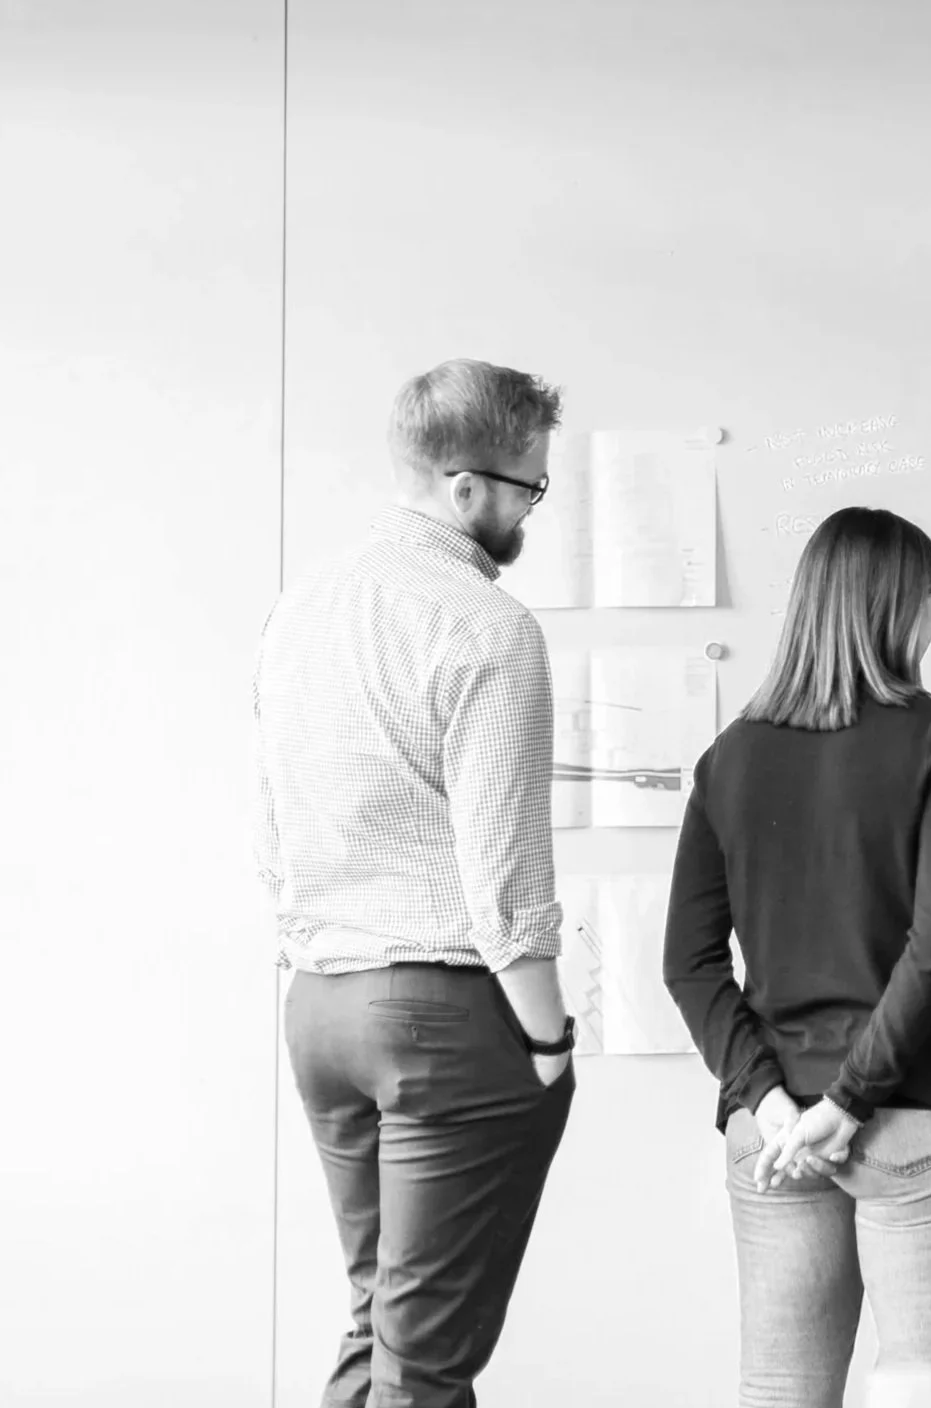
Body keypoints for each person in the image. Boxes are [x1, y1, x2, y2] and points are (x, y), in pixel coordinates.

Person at [252, 358, 578, 1407]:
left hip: (320, 1006)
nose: (531, 510)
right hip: (443, 1013)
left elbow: (272, 826)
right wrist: (551, 1041)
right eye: (529, 486)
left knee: (382, 1319)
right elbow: (504, 874)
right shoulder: (487, 625)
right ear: (465, 485)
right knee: (426, 1360)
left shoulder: (299, 608)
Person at [663, 506, 931, 1407]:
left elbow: (688, 963)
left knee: (780, 1393)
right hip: (919, 1115)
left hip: (773, 1128)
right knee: (929, 1394)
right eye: (930, 605)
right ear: (894, 610)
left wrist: (771, 1099)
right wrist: (850, 1100)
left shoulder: (730, 756)